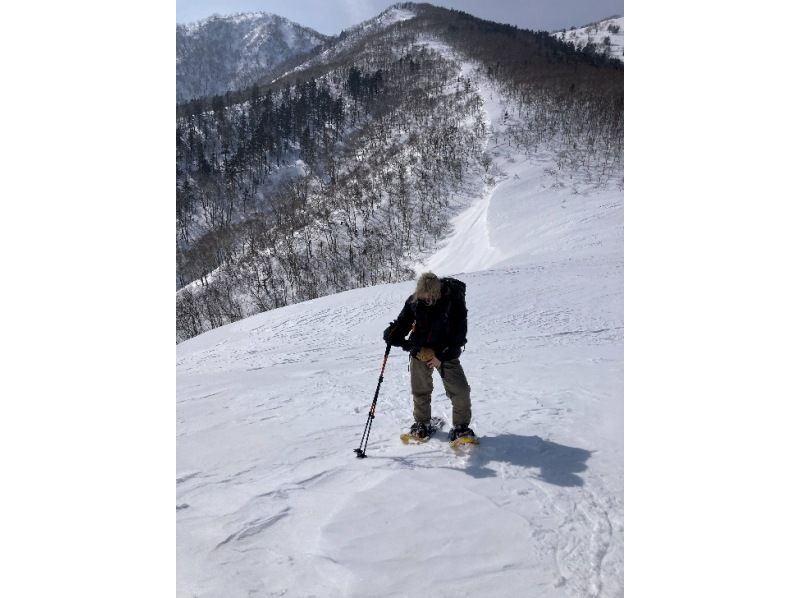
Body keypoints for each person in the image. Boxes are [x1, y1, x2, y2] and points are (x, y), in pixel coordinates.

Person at [383, 272, 475, 442]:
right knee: (420, 390)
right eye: (423, 297)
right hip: (421, 350)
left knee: (460, 391)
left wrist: (441, 356)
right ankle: (422, 423)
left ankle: (461, 427)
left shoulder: (453, 300)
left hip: (446, 352)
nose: (426, 300)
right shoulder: (415, 301)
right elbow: (403, 323)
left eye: (430, 297)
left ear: (437, 292)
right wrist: (393, 334)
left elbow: (459, 334)